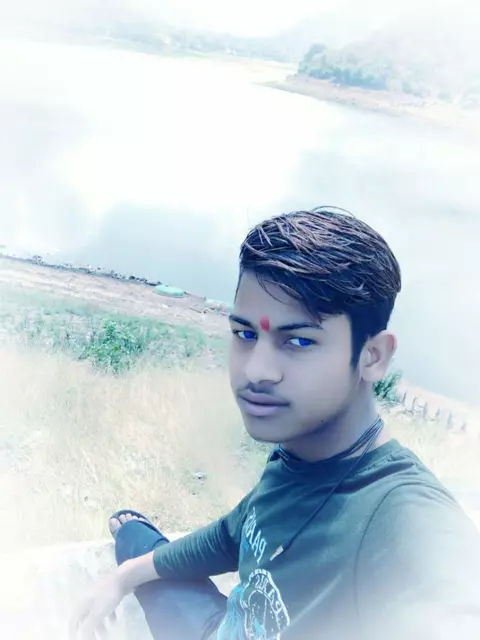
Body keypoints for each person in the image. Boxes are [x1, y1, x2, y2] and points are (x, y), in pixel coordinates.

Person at [71, 207, 480, 640]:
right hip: (221, 628)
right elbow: (235, 534)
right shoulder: (297, 453)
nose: (256, 371)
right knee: (132, 539)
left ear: (372, 356)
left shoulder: (401, 514)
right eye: (246, 334)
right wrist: (124, 577)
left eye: (299, 341)